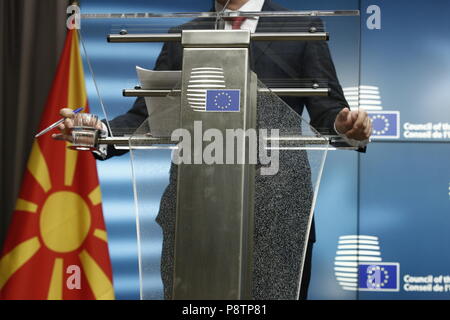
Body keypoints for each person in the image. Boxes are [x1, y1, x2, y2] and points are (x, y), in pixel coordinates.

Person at [54, 0, 372, 299]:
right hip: (192, 212)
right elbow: (146, 117)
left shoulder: (301, 28)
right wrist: (100, 132)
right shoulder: (184, 34)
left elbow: (328, 112)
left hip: (277, 216)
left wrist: (346, 127)